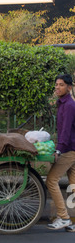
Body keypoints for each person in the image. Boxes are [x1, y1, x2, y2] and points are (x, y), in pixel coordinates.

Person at [46, 74, 75, 231]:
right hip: (71, 147)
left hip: (70, 149)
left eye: (61, 85)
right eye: (56, 84)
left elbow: (65, 131)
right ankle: (66, 219)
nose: (57, 87)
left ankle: (64, 217)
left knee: (51, 180)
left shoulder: (69, 105)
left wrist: (59, 149)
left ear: (69, 88)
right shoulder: (63, 104)